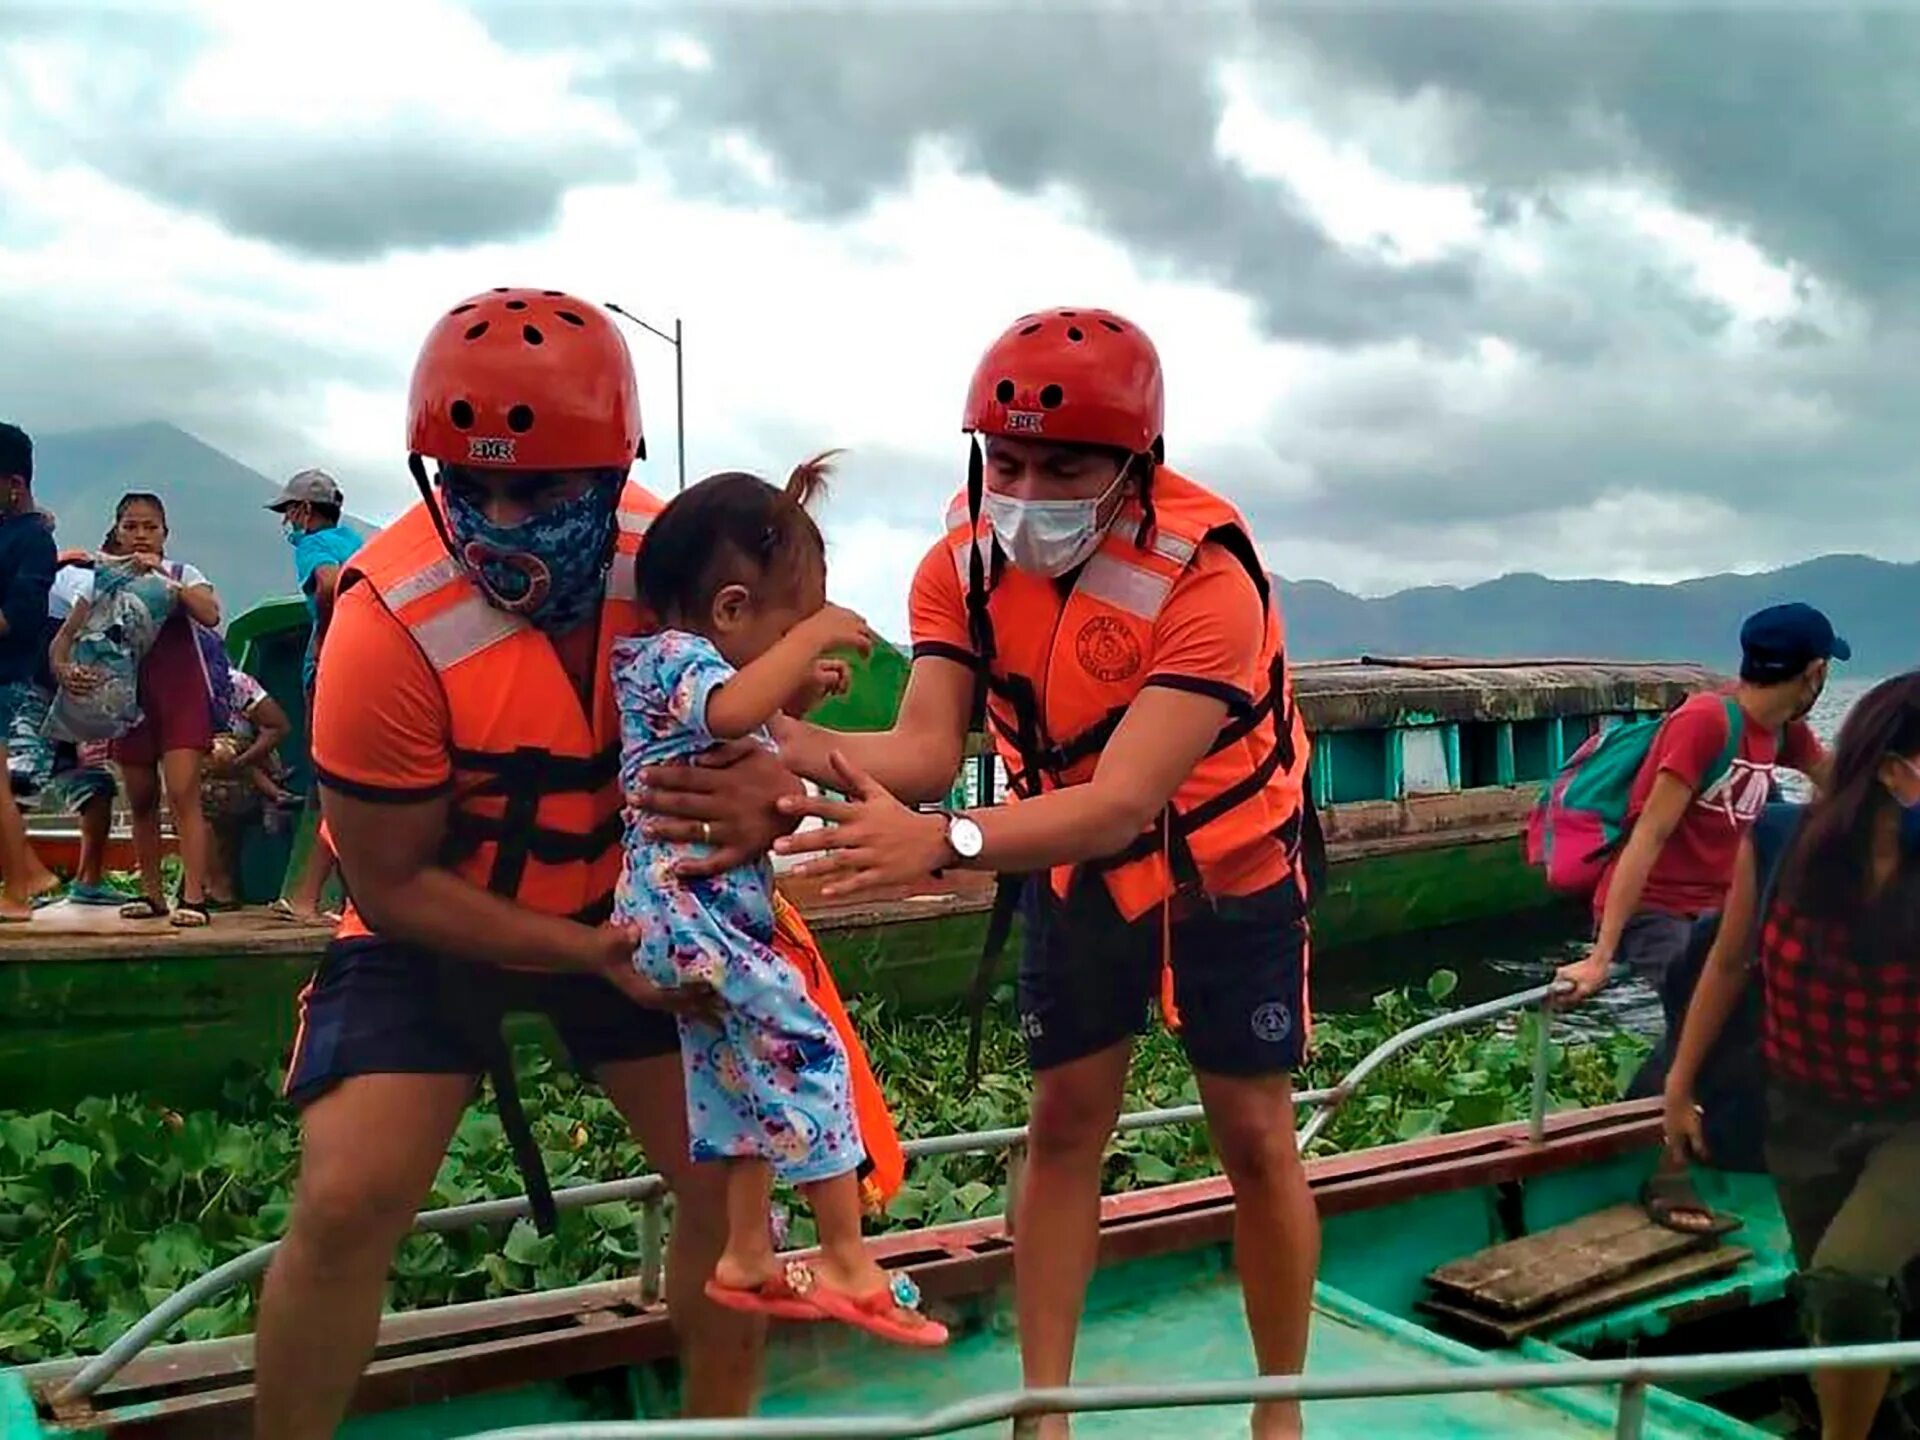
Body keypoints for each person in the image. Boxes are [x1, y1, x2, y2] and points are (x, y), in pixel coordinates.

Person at [252, 288, 803, 1440]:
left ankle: (717, 1426)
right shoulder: (382, 625)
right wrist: (586, 955)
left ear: (610, 476)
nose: (501, 513)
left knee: (729, 1183)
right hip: (439, 928)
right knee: (349, 1198)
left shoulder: (682, 570)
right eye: (472, 484)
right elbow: (393, 885)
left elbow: (777, 719)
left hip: (639, 906)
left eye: (540, 488)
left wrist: (764, 795)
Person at [765, 308, 1320, 1439]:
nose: (1029, 491)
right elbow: (924, 753)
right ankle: (1043, 1412)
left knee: (1255, 1136)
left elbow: (1123, 798)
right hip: (1075, 883)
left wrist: (950, 842)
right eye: (1007, 462)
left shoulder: (1208, 582)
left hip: (1226, 872)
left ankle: (1280, 1413)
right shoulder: (957, 568)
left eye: (1065, 467)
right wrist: (775, 739)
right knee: (1065, 1121)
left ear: (1136, 467)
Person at [616, 457, 944, 1347]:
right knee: (806, 1047)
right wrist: (816, 638)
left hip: (694, 917)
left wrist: (802, 682)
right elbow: (726, 712)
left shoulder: (695, 669)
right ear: (728, 610)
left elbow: (749, 710)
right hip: (692, 914)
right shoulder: (673, 659)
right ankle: (844, 1255)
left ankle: (746, 1255)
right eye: (792, 624)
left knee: (734, 1080)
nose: (809, 640)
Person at [1663, 671, 1920, 1440]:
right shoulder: (1782, 844)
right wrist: (1679, 1081)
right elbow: (1730, 961)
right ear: (1892, 768)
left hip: (1911, 1120)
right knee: (1835, 1302)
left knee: (1845, 1283)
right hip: (1803, 1113)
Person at [1556, 602, 1840, 1232]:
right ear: (1815, 673)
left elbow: (1840, 784)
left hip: (1715, 910)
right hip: (1653, 908)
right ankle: (1657, 1161)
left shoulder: (1784, 735)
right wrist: (1602, 956)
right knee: (1701, 1010)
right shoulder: (1707, 723)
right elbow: (1648, 836)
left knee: (1758, 997)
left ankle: (1719, 1134)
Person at [51, 493, 222, 927]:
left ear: (165, 532)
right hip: (129, 699)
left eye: (150, 526)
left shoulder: (185, 573)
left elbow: (210, 614)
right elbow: (67, 636)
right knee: (142, 798)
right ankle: (152, 894)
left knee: (183, 793)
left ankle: (194, 897)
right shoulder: (103, 581)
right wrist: (63, 669)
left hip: (181, 696)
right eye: (131, 526)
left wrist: (167, 579)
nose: (141, 534)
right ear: (118, 530)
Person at [267, 467, 362, 923]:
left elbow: (327, 583)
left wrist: (325, 634)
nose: (288, 522)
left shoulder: (314, 546)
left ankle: (305, 897)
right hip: (367, 657)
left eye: (289, 512)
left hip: (330, 664)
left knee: (328, 777)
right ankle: (348, 900)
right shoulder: (358, 541)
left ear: (304, 511)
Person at [10, 541, 121, 906]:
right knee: (18, 788)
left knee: (96, 787)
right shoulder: (80, 576)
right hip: (36, 698)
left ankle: (88, 883)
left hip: (70, 711)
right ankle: (20, 882)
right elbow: (81, 611)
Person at [0, 424, 58, 920]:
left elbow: (17, 618)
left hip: (8, 680)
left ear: (13, 483)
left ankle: (19, 892)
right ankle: (33, 875)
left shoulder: (32, 541)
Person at [202, 663, 297, 909]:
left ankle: (218, 886)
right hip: (227, 769)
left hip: (235, 768)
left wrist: (241, 760)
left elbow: (278, 726)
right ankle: (218, 884)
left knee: (203, 799)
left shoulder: (234, 682)